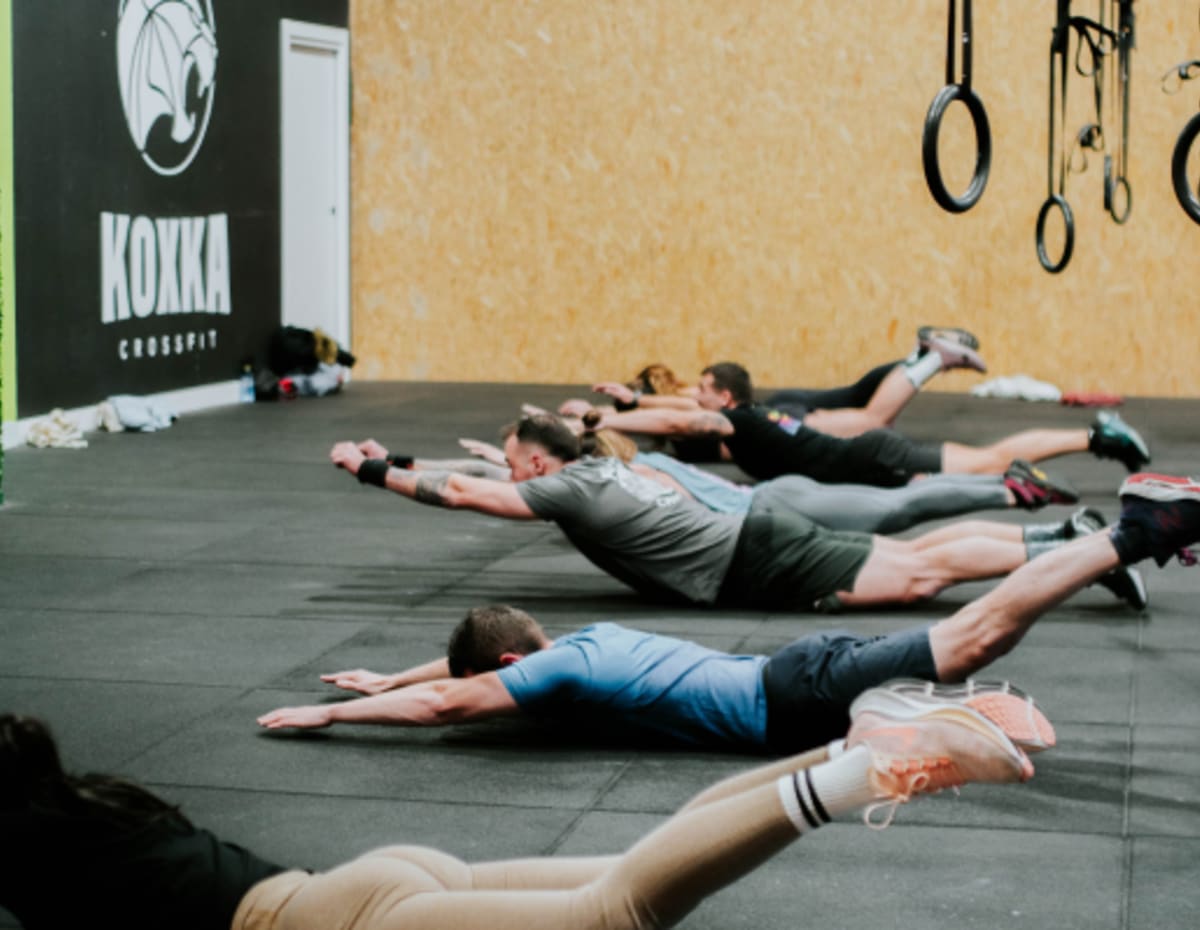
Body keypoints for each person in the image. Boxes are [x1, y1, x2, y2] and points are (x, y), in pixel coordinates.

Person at [258, 471, 1200, 753]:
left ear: (512, 667)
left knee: (975, 629)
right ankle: (948, 704)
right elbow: (458, 679)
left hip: (790, 702)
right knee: (949, 640)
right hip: (796, 671)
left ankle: (1137, 529)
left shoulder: (561, 671)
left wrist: (339, 712)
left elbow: (446, 705)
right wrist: (391, 672)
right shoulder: (574, 644)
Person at [6, 694, 1039, 930]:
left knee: (618, 913)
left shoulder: (30, 851)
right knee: (636, 857)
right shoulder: (90, 804)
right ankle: (858, 743)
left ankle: (872, 771)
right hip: (371, 881)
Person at [328, 413, 1147, 614]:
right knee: (913, 556)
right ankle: (1058, 539)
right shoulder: (598, 465)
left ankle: (1089, 548)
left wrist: (371, 474)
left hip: (752, 555)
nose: (508, 474)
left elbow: (472, 492)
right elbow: (471, 472)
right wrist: (398, 460)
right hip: (755, 536)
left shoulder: (566, 489)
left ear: (539, 466)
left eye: (515, 465)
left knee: (918, 573)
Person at [594, 362, 1152, 485]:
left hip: (874, 459)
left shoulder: (735, 424)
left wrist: (616, 412)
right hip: (868, 457)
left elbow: (685, 420)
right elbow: (680, 420)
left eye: (703, 394)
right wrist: (626, 410)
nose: (694, 399)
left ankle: (1097, 437)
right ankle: (1092, 442)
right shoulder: (748, 418)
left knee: (986, 465)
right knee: (980, 476)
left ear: (722, 398)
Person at [564, 325, 986, 440]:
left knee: (874, 419)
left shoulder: (693, 403)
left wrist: (627, 405)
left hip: (779, 416)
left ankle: (932, 359)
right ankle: (920, 356)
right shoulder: (693, 394)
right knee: (862, 398)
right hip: (782, 406)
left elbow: (684, 411)